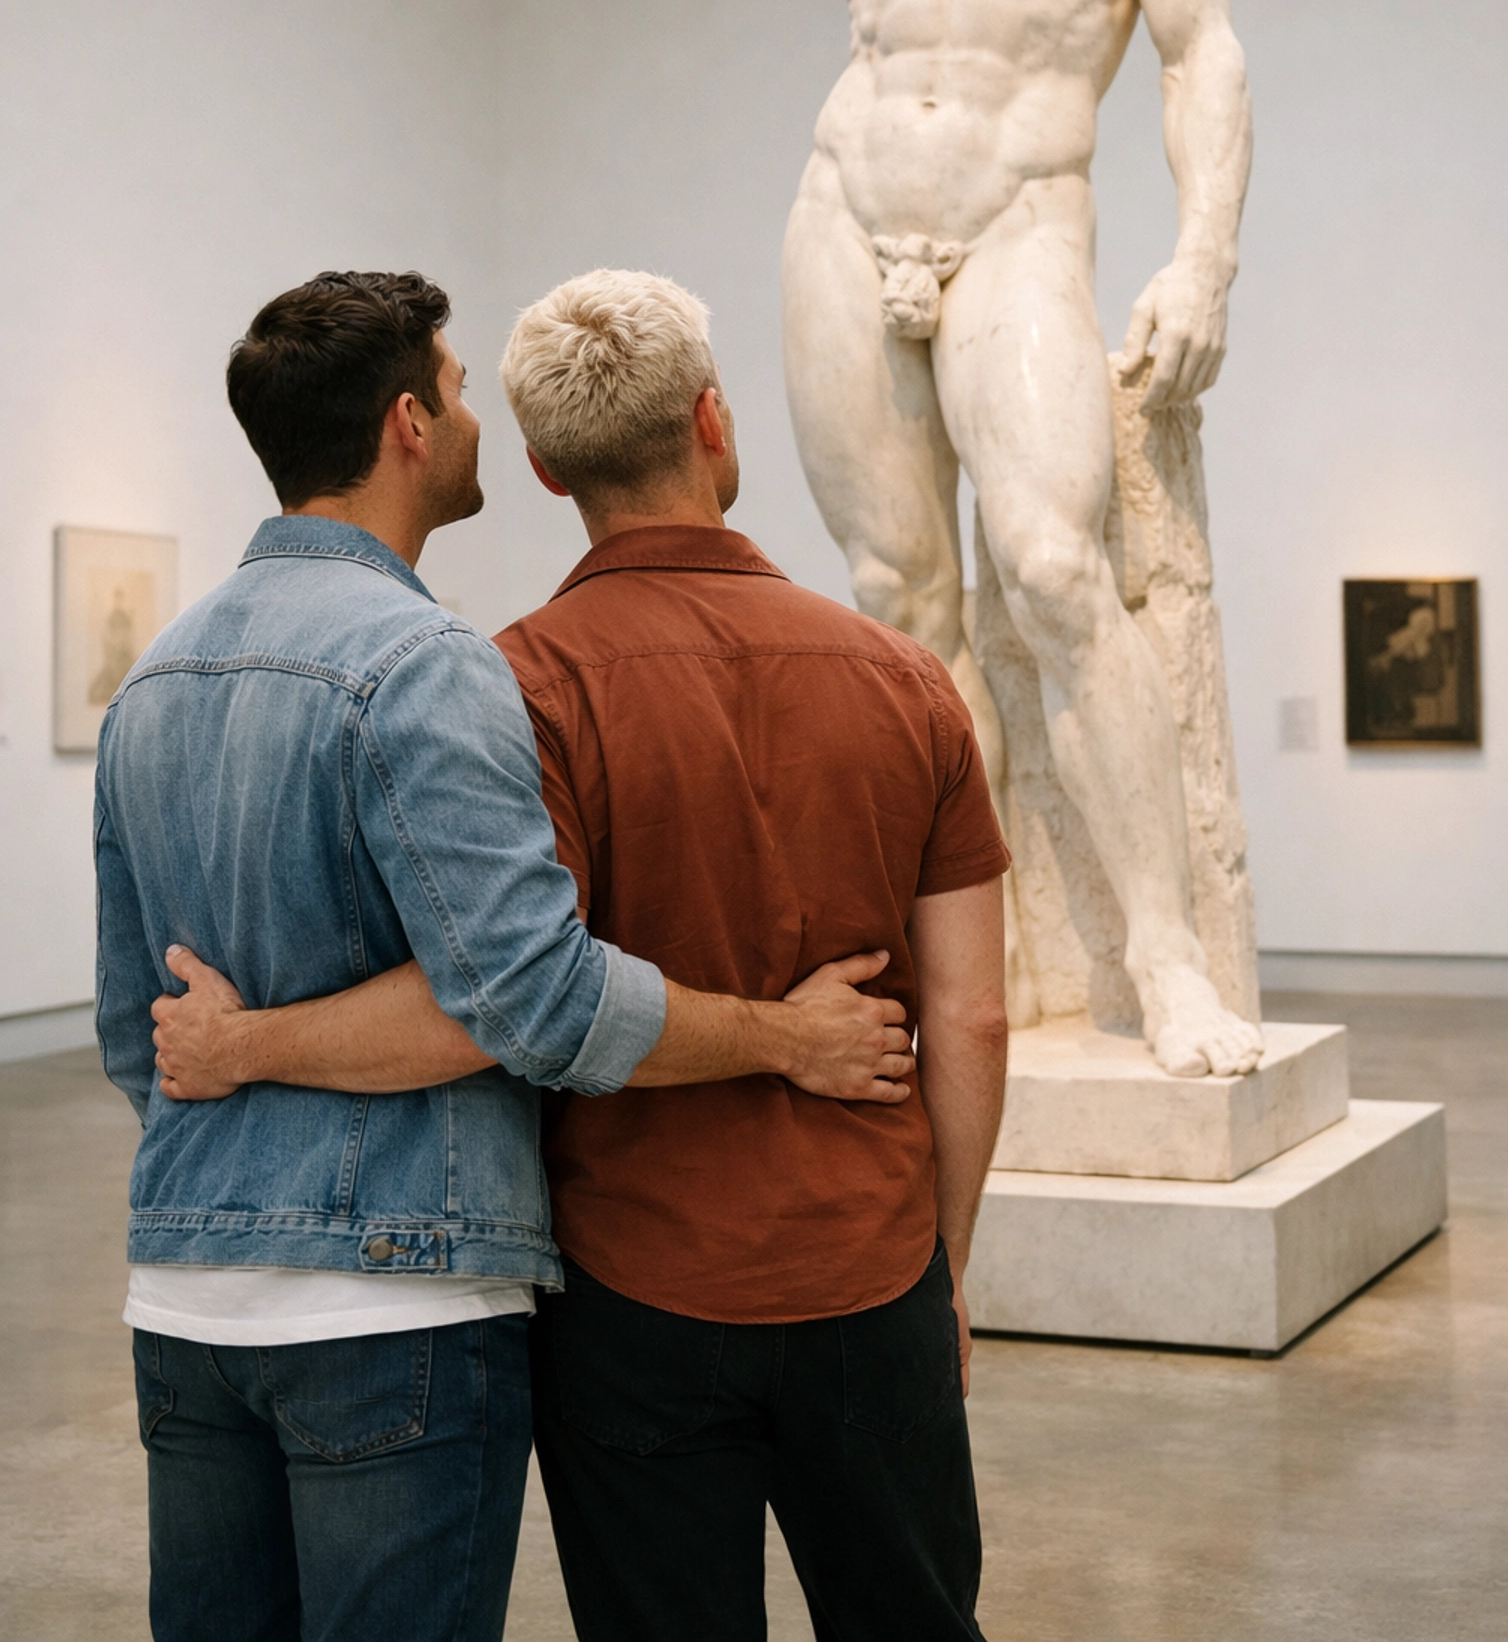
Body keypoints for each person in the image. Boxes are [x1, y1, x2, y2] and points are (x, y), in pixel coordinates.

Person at [153, 268, 1012, 1642]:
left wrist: (240, 1046)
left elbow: (494, 991)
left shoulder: (519, 684)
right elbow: (967, 1018)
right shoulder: (905, 682)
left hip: (631, 1290)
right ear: (716, 425)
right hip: (869, 1267)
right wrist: (944, 1266)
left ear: (546, 471)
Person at [626, 0, 1262, 1079]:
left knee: (1053, 569)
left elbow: (1201, 53)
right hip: (846, 210)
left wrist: (1203, 260)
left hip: (1022, 218)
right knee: (898, 601)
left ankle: (1167, 965)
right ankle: (968, 963)